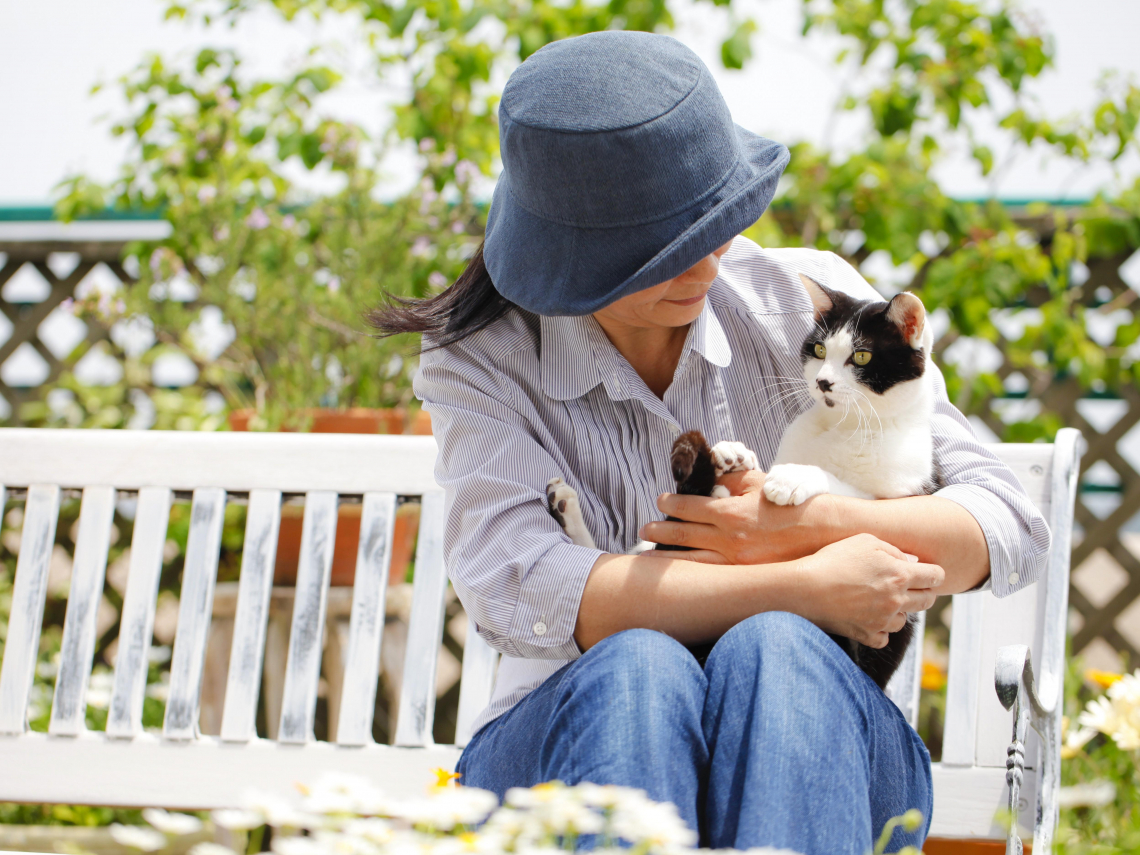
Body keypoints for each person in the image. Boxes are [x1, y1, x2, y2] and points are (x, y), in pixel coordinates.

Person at [369, 31, 1050, 855]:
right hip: (562, 740)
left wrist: (810, 526)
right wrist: (804, 586)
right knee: (641, 669)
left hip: (817, 739)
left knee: (778, 653)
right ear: (573, 257)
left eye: (717, 223)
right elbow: (521, 585)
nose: (706, 263)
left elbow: (1003, 524)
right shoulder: (483, 357)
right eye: (663, 249)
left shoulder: (803, 304)